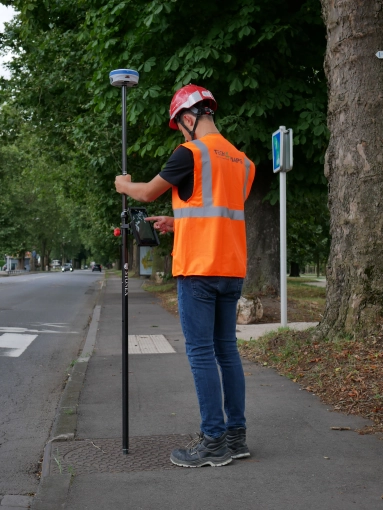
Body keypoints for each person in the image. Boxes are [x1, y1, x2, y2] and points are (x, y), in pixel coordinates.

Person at [115, 84, 255, 468]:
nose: (180, 132)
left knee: (200, 353)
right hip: (231, 269)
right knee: (226, 350)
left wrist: (123, 185)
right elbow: (216, 214)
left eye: (179, 125)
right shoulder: (244, 162)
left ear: (189, 119)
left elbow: (146, 193)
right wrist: (178, 224)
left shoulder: (190, 153)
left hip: (198, 270)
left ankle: (212, 442)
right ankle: (236, 437)